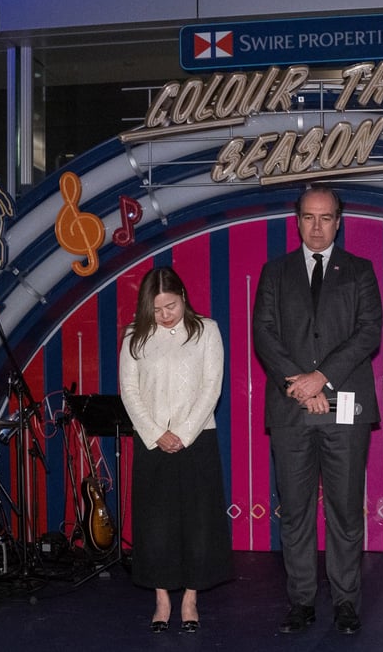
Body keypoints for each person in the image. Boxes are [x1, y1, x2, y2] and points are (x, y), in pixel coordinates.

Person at [252, 185, 383, 635]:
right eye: (308, 217)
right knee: (296, 511)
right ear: (297, 220)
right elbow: (264, 335)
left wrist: (320, 377)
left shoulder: (360, 272)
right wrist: (299, 383)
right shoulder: (274, 272)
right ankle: (301, 602)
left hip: (343, 409)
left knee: (346, 511)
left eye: (325, 218)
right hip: (291, 409)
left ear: (339, 221)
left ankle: (346, 604)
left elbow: (368, 333)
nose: (316, 226)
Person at [118, 266, 233, 633]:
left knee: (198, 523)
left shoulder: (206, 331)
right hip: (152, 443)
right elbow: (129, 392)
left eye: (171, 305)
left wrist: (183, 432)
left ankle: (190, 598)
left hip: (197, 440)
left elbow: (211, 387)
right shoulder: (135, 336)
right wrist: (156, 433)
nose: (166, 314)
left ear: (183, 297)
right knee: (156, 524)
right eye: (158, 308)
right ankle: (162, 598)